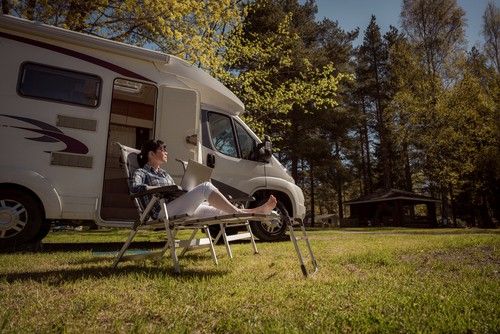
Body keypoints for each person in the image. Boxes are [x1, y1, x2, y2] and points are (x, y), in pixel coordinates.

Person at [130, 139, 277, 219]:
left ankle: (258, 210)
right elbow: (135, 188)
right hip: (162, 212)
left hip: (176, 207)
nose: (166, 152)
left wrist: (182, 191)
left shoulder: (164, 174)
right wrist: (162, 189)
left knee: (219, 210)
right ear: (151, 154)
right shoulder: (142, 172)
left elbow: (173, 192)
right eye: (162, 149)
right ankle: (247, 211)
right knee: (205, 187)